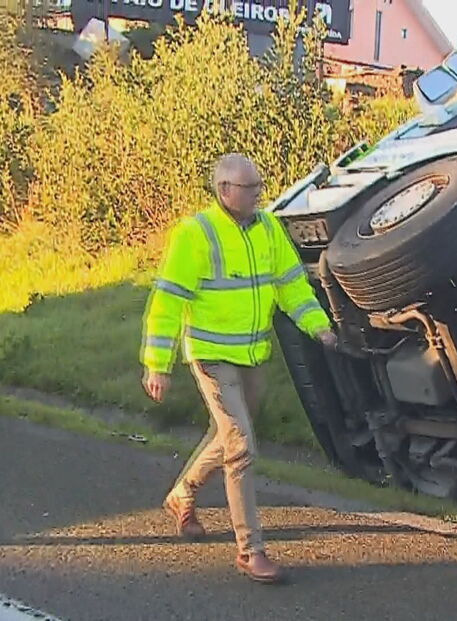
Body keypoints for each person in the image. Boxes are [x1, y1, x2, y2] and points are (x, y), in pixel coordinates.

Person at [141, 153, 336, 583]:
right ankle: (251, 550)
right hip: (211, 357)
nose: (259, 194)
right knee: (242, 444)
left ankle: (183, 494)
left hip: (251, 355)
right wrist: (158, 364)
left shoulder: (267, 228)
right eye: (251, 189)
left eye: (260, 186)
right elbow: (168, 301)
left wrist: (318, 327)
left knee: (230, 436)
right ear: (225, 190)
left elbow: (290, 285)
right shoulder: (196, 234)